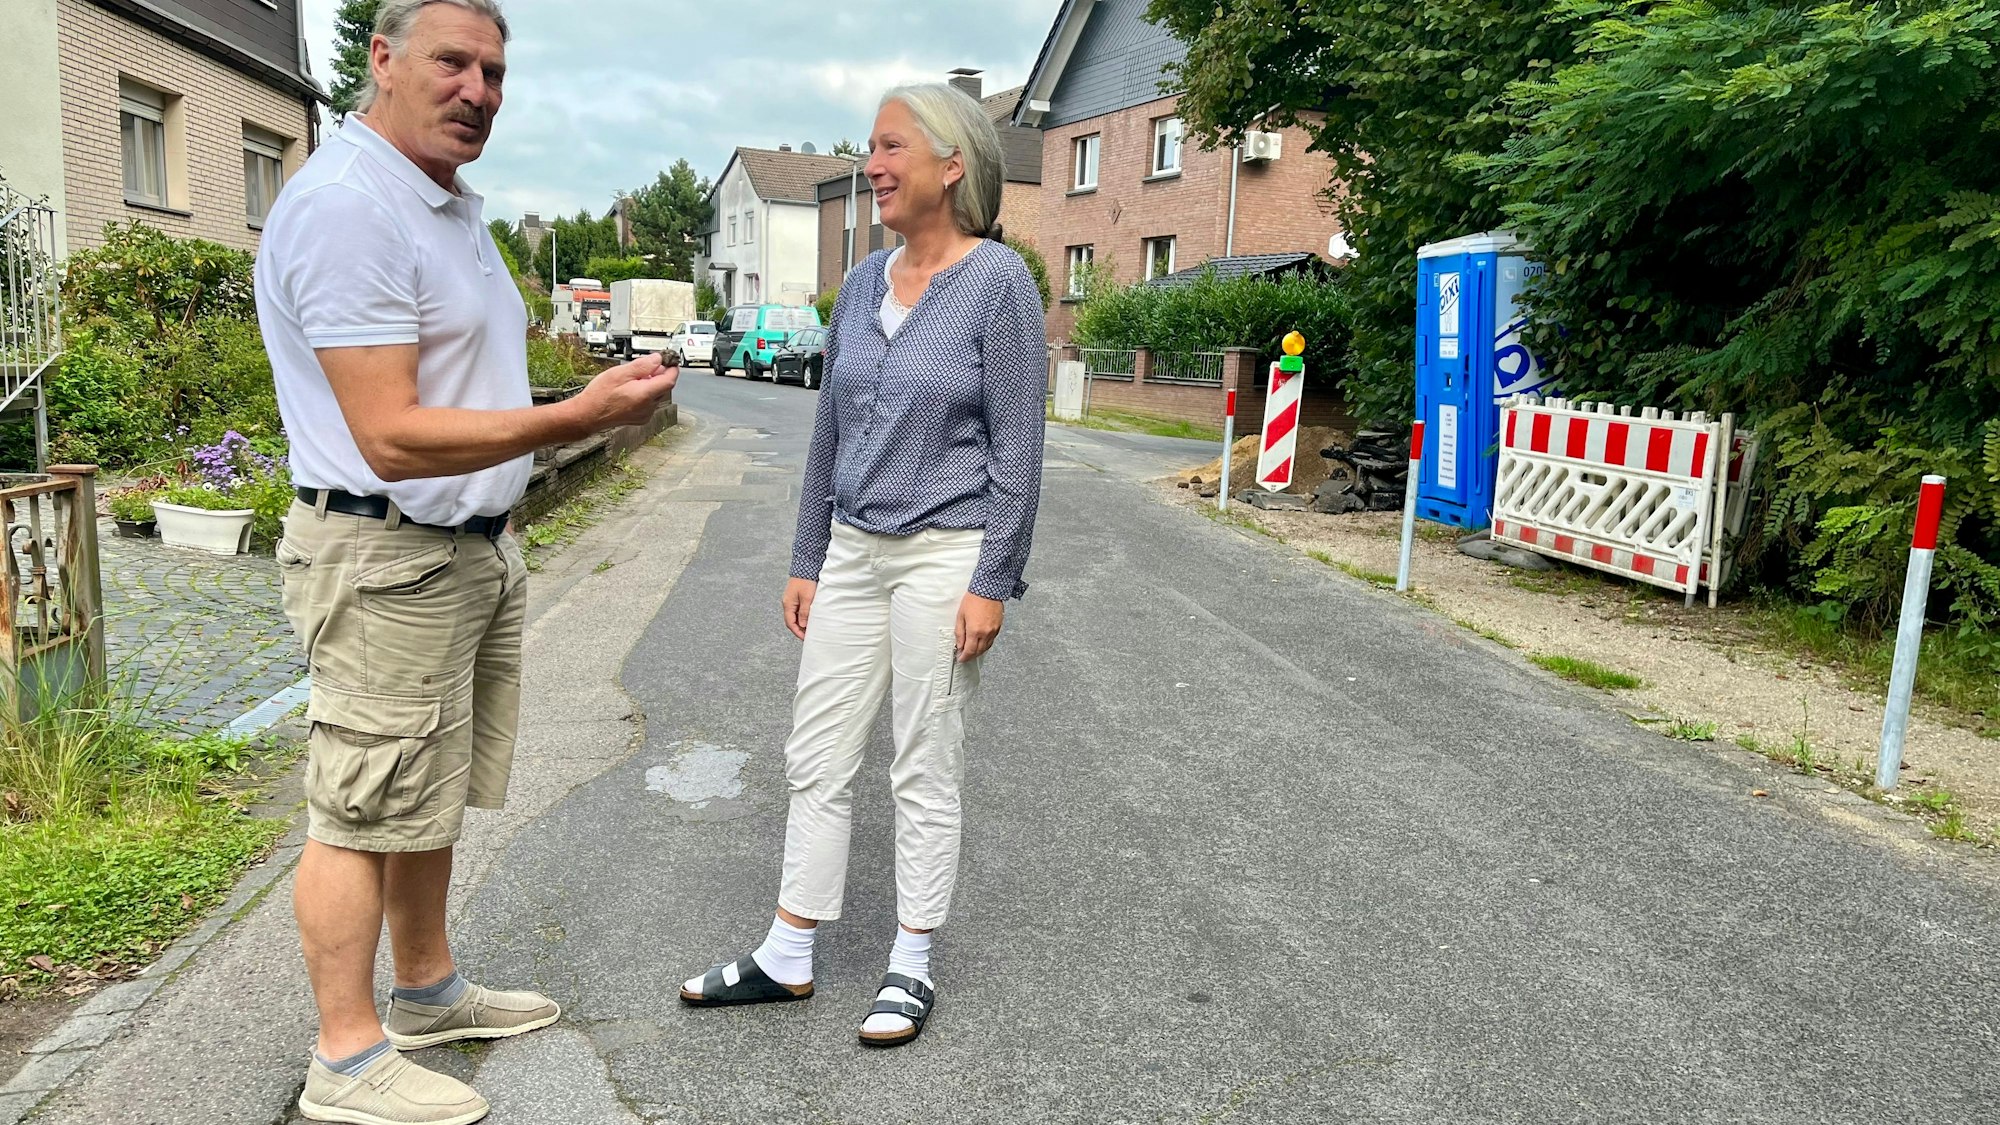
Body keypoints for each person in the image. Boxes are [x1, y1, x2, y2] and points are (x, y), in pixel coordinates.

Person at [254, 1, 676, 1121]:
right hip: (385, 553)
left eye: (494, 70)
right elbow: (389, 430)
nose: (478, 90)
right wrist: (577, 418)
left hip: (461, 550)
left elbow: (461, 396)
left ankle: (427, 992)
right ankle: (344, 1061)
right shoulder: (350, 208)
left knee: (422, 790)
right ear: (380, 60)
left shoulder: (437, 204)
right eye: (453, 62)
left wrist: (577, 410)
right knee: (357, 802)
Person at [680, 83, 1046, 1048]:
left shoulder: (999, 281)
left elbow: (1019, 450)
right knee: (817, 752)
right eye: (869, 148)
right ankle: (789, 950)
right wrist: (808, 553)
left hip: (944, 553)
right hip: (852, 551)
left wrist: (992, 579)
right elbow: (828, 435)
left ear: (952, 163)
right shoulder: (865, 285)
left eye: (890, 147)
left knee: (924, 760)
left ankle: (911, 960)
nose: (872, 165)